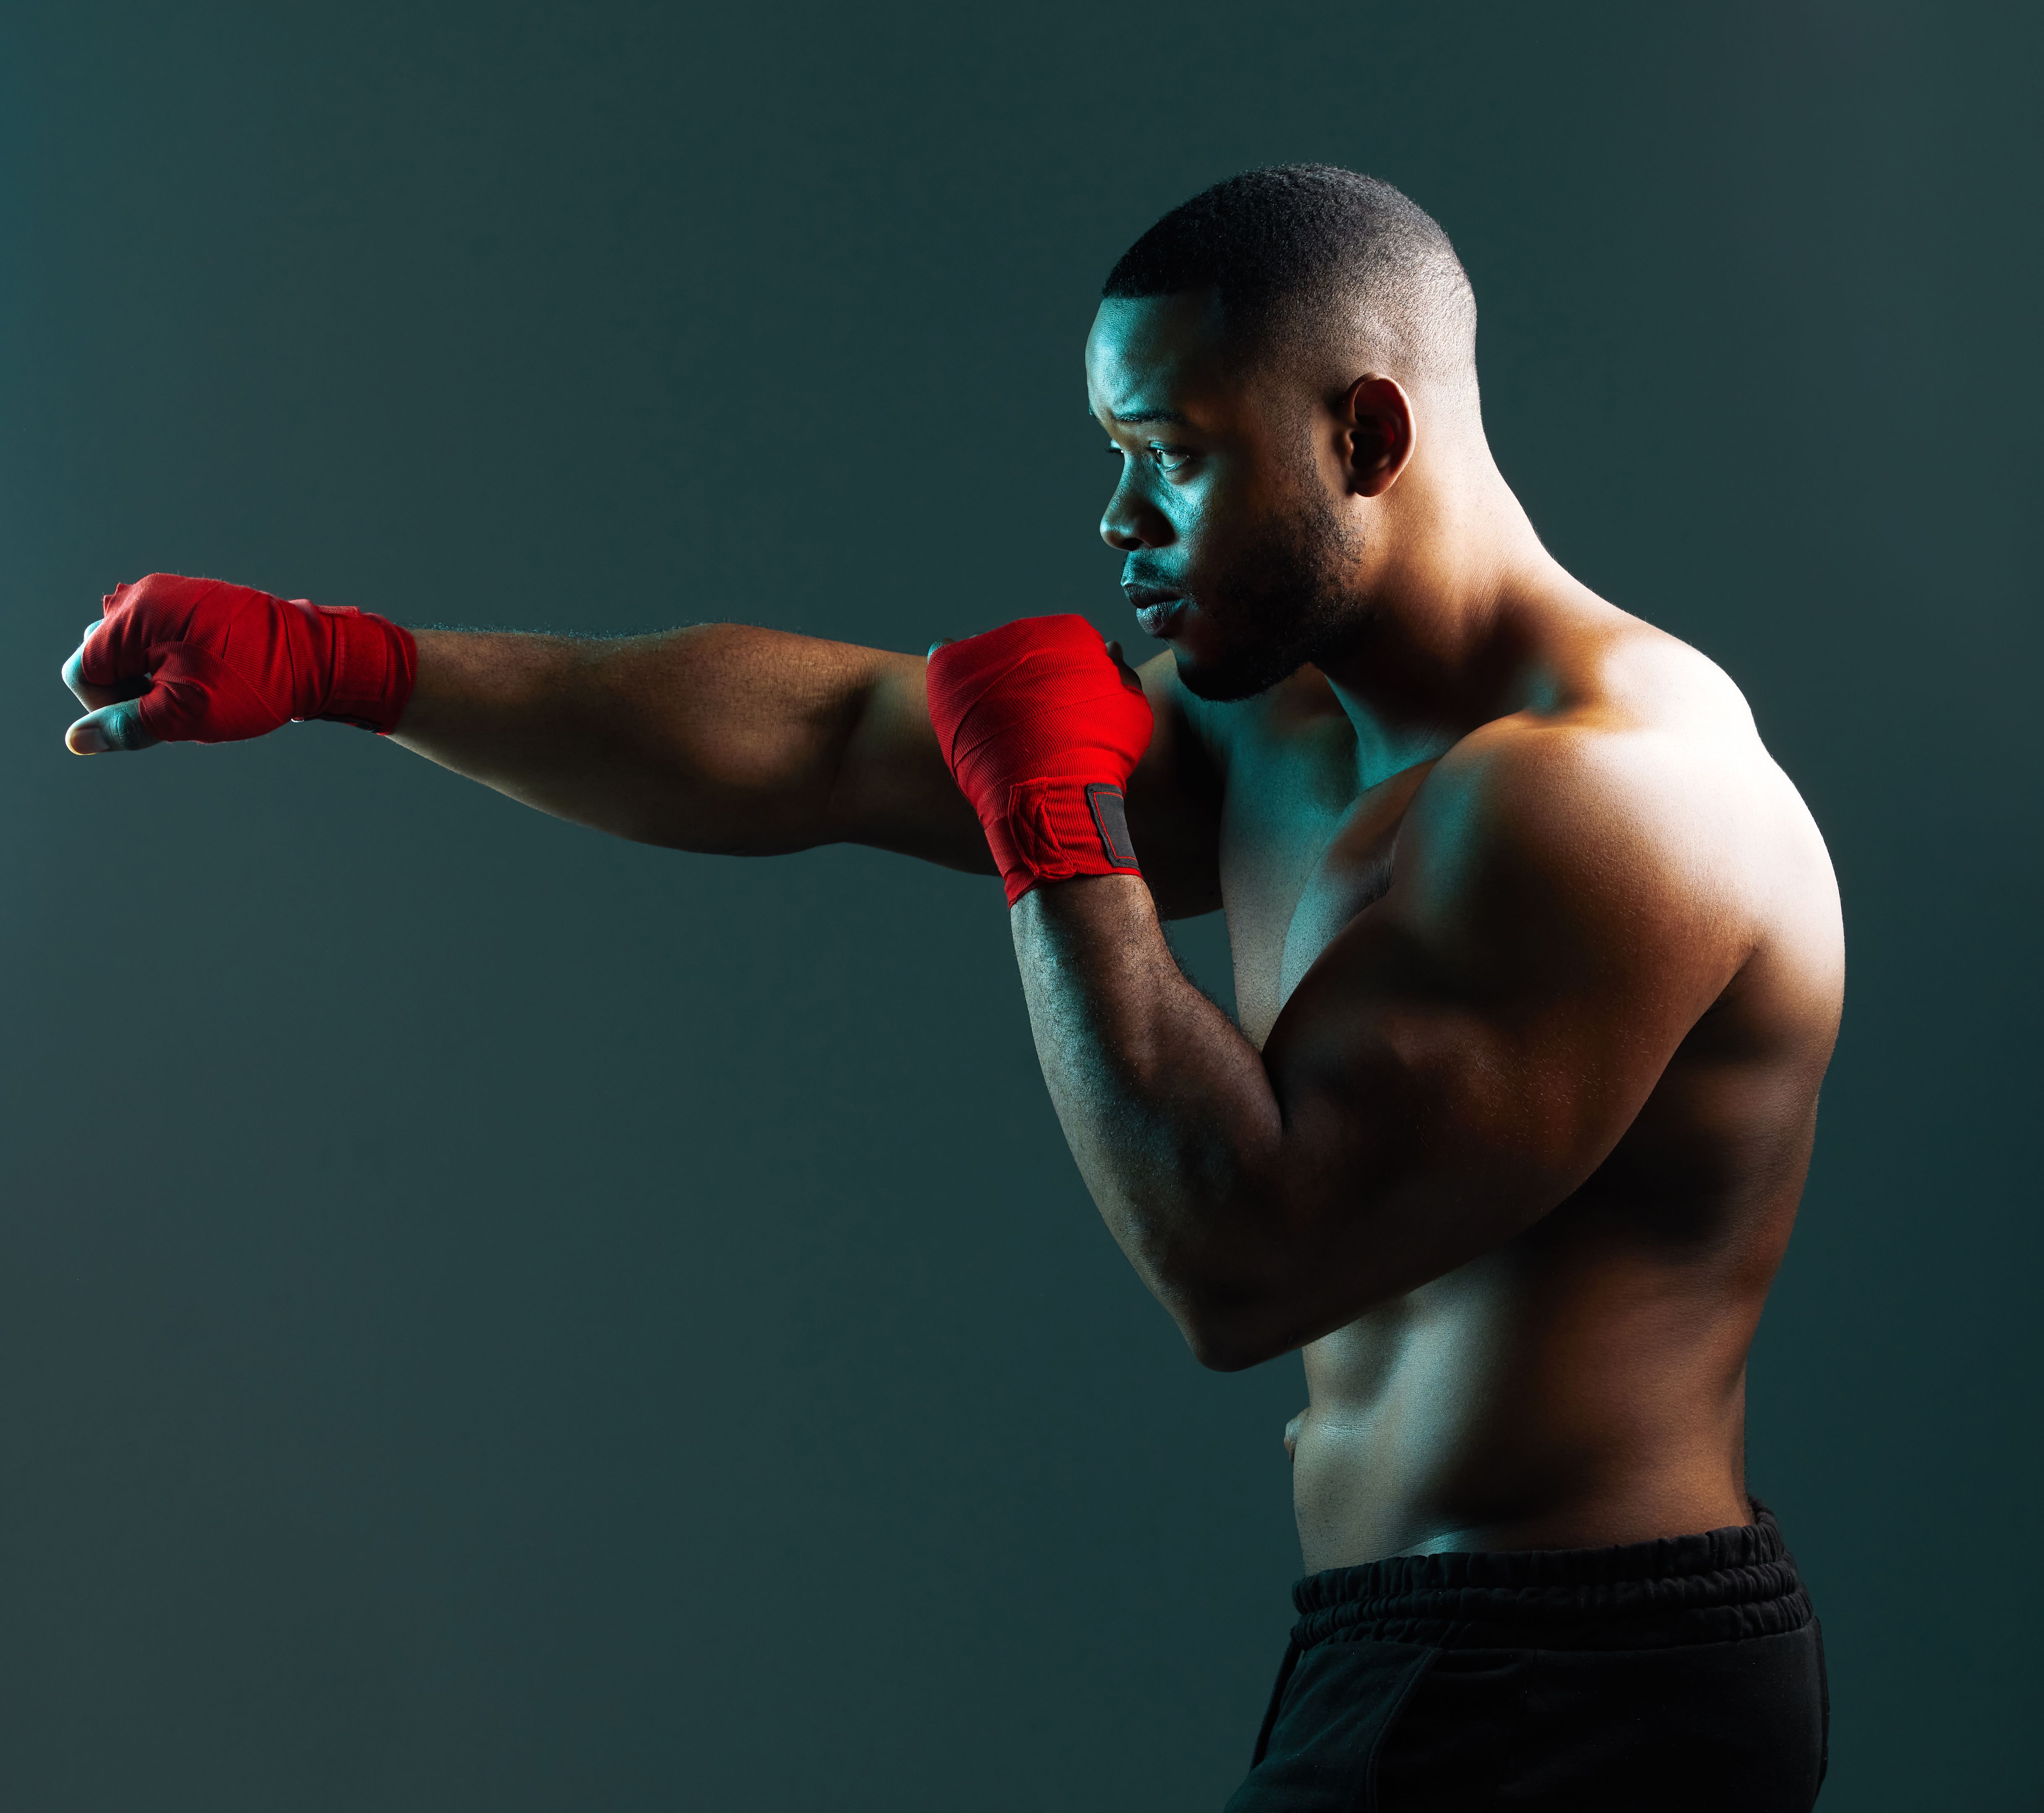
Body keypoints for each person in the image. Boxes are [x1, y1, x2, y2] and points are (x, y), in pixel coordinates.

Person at [60, 165, 1839, 1807]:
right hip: (1408, 1652)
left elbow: (1250, 1261)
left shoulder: (1608, 802)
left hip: (1585, 1688)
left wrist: (1059, 830)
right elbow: (835, 738)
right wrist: (346, 665)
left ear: (1364, 432)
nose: (1120, 518)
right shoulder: (1284, 727)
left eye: (1171, 454)